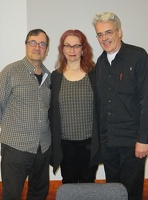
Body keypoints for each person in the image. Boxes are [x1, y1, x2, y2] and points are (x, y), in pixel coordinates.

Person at [92, 12, 148, 200]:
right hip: (109, 143)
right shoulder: (101, 63)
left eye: (108, 32)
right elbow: (102, 105)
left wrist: (144, 139)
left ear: (119, 32)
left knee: (131, 193)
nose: (104, 38)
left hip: (132, 143)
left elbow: (147, 100)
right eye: (100, 34)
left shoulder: (138, 56)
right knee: (113, 191)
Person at [0, 29, 51, 200]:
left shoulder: (49, 77)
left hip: (42, 148)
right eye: (33, 42)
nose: (37, 47)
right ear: (26, 45)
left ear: (46, 49)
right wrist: (9, 127)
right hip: (16, 148)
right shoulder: (11, 71)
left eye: (42, 44)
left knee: (39, 193)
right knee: (12, 194)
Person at [49, 29, 101, 184]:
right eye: (67, 46)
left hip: (89, 142)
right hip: (65, 143)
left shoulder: (95, 73)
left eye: (76, 46)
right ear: (62, 49)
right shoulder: (55, 76)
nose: (72, 50)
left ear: (83, 49)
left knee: (88, 181)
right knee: (69, 182)